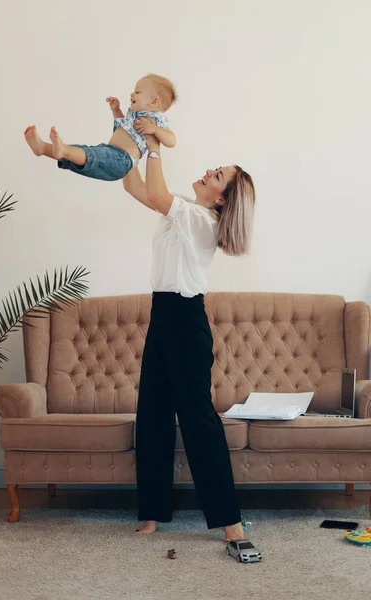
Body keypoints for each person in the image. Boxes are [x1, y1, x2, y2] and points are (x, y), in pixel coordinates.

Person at [123, 120, 256, 544]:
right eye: (214, 169)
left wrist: (156, 144)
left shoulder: (202, 221)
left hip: (185, 322)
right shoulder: (182, 208)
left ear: (222, 198)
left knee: (198, 420)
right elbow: (136, 189)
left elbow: (157, 194)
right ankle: (152, 513)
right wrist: (128, 141)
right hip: (162, 316)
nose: (207, 172)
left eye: (216, 176)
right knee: (153, 417)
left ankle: (229, 520)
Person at [23, 73, 177, 182]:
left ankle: (59, 150)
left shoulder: (156, 120)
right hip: (110, 152)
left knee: (88, 155)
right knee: (80, 153)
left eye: (137, 92)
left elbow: (172, 140)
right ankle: (43, 148)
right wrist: (116, 110)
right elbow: (122, 127)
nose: (132, 94)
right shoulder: (133, 115)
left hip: (121, 160)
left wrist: (155, 130)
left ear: (155, 102)